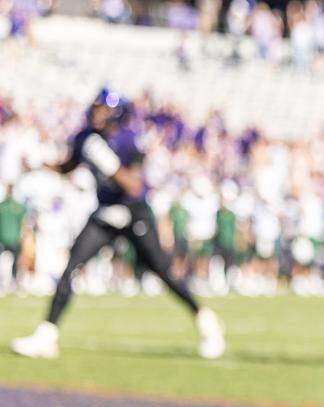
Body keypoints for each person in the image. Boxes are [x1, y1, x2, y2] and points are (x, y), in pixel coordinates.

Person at [10, 89, 225, 360]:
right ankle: (47, 335)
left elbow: (134, 185)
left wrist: (108, 165)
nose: (98, 115)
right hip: (105, 214)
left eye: (105, 110)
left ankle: (205, 320)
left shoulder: (128, 140)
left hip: (134, 214)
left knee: (163, 272)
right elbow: (68, 166)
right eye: (97, 109)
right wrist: (42, 164)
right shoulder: (86, 138)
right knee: (70, 268)